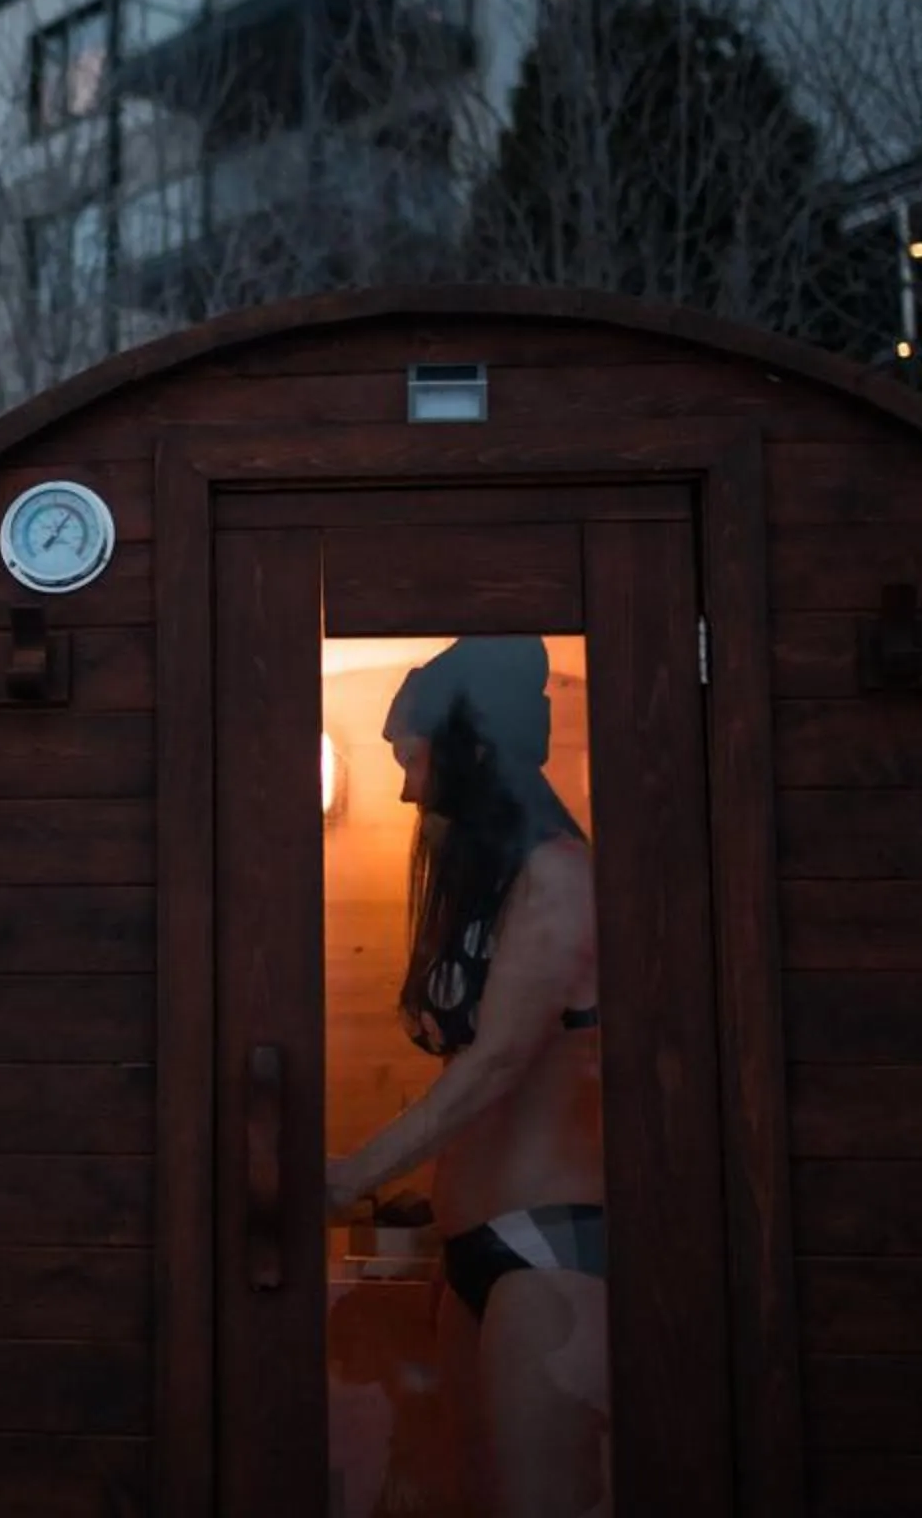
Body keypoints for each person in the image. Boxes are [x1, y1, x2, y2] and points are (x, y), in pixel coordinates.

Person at [325, 636, 609, 1518]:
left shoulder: (561, 876)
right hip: (476, 1247)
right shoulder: (489, 885)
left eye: (413, 758)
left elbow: (493, 1069)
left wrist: (343, 1179)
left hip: (554, 1243)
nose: (407, 786)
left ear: (473, 748)